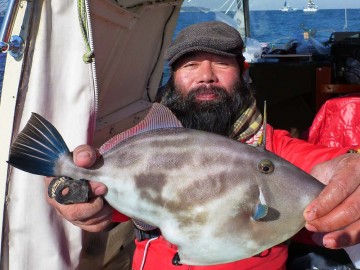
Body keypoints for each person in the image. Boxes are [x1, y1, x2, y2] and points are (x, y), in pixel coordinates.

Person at [45, 21, 360, 269]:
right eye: (190, 65)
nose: (206, 76)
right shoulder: (148, 148)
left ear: (244, 73)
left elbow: (326, 167)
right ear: (174, 77)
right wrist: (71, 187)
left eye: (221, 63)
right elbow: (110, 199)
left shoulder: (272, 148)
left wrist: (351, 166)